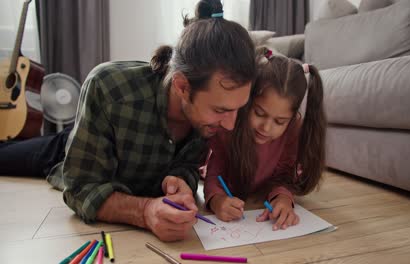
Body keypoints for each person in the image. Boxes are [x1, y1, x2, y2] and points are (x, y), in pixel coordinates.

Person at [0, 0, 256, 242]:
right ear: (182, 86)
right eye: (220, 110)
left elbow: (188, 165)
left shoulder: (209, 114)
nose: (230, 125)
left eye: (237, 110)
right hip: (78, 145)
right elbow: (80, 188)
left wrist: (181, 181)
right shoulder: (109, 89)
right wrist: (145, 211)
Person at [203, 48, 326, 231]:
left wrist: (282, 198)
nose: (266, 128)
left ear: (292, 118)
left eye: (280, 121)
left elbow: (284, 175)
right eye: (259, 113)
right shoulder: (230, 124)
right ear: (248, 102)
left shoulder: (293, 130)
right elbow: (216, 170)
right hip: (229, 185)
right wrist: (217, 200)